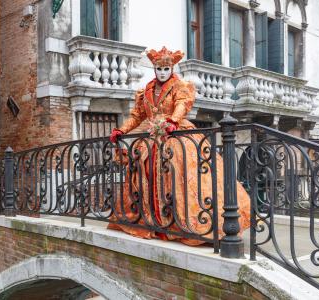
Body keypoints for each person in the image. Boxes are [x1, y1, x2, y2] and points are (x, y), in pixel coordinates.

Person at [107, 47, 250, 246]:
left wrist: (173, 121)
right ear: (154, 69)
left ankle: (181, 223)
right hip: (150, 140)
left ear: (171, 69)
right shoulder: (145, 91)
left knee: (181, 177)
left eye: (166, 68)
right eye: (159, 68)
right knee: (146, 177)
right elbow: (137, 116)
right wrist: (121, 130)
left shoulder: (180, 86)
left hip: (174, 135)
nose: (162, 72)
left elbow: (182, 105)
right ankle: (154, 221)